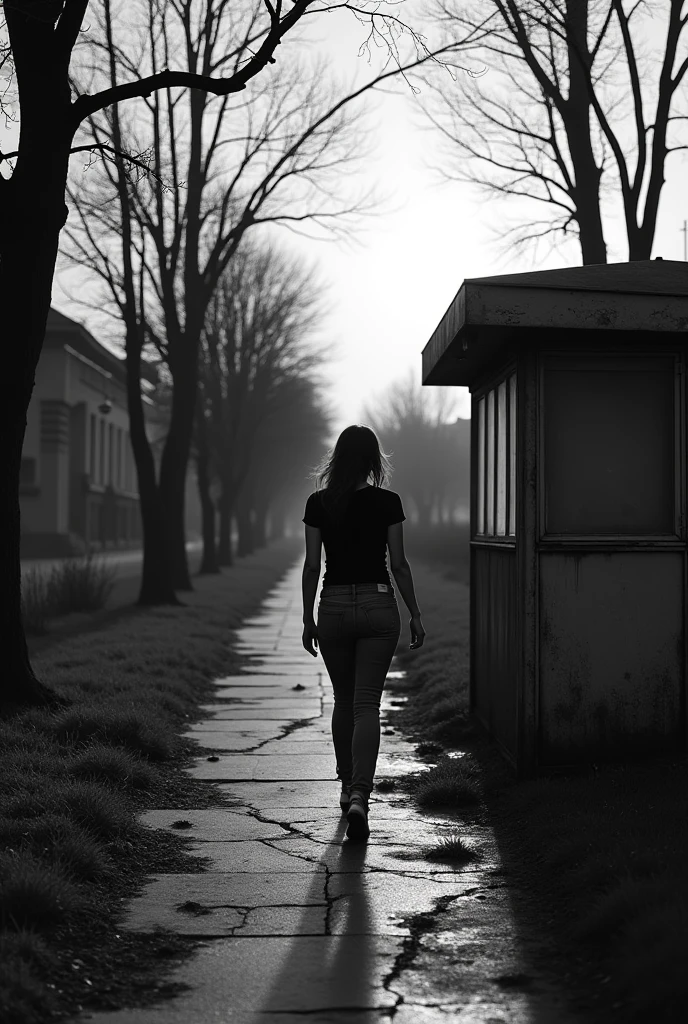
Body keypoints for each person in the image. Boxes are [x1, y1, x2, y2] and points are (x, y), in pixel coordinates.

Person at [301, 425, 426, 841]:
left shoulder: (319, 503)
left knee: (344, 700)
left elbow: (311, 566)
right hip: (377, 606)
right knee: (367, 705)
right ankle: (360, 795)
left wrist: (308, 617)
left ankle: (343, 785)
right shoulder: (387, 502)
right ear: (372, 460)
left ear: (338, 457)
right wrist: (415, 614)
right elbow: (400, 564)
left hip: (333, 606)